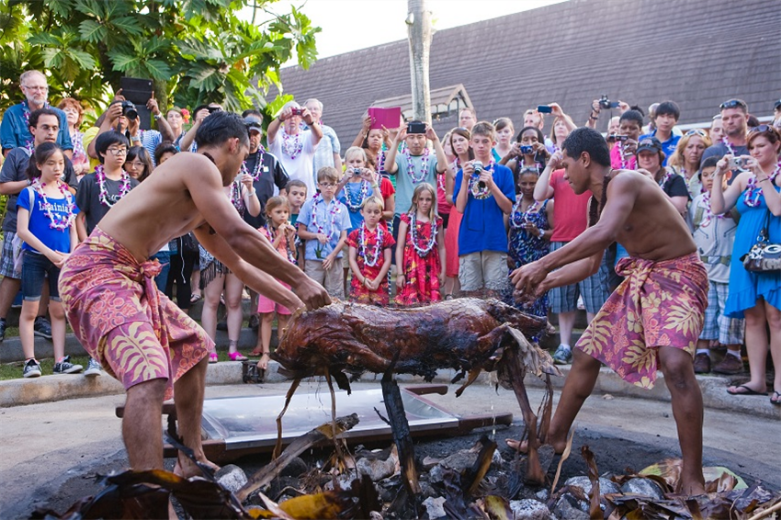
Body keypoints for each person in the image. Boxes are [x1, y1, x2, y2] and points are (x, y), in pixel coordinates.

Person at [58, 111, 330, 480]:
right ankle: (149, 494)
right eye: (246, 154)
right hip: (96, 272)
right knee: (149, 375)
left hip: (130, 276)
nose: (244, 164)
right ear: (234, 145)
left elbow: (242, 266)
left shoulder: (202, 199)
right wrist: (301, 281)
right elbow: (239, 234)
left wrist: (301, 305)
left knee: (196, 346)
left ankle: (191, 456)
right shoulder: (195, 164)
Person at [512, 127, 710, 495]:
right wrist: (546, 281)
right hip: (643, 277)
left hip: (681, 273)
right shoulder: (595, 203)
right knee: (587, 351)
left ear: (585, 159)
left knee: (677, 366)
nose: (564, 173)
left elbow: (604, 234)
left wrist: (541, 265)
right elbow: (590, 264)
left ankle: (693, 478)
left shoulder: (627, 181)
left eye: (566, 164)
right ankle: (553, 436)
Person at [710, 126, 781, 405]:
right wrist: (719, 174)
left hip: (775, 251)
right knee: (753, 318)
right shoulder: (742, 179)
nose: (755, 152)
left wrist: (763, 177)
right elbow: (718, 207)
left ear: (776, 146)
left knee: (776, 317)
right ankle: (756, 380)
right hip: (746, 252)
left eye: (761, 146)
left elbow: (776, 208)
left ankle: (780, 384)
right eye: (752, 148)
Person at [0, 108, 79, 344]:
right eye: (46, 127)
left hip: (53, 227)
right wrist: (34, 182)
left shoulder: (62, 159)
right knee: (12, 273)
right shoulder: (18, 155)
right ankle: (2, 319)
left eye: (55, 128)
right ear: (33, 129)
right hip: (19, 223)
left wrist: (53, 186)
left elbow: (72, 189)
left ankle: (41, 319)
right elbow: (3, 187)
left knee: (47, 273)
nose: (51, 132)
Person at [534, 149, 610, 365]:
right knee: (562, 298)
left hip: (590, 240)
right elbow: (539, 195)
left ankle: (594, 347)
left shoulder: (592, 177)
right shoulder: (559, 175)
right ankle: (565, 345)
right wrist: (550, 166)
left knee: (594, 297)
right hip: (561, 240)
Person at [16, 143, 83, 378]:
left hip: (63, 261)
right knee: (30, 310)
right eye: (51, 163)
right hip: (36, 258)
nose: (57, 168)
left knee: (57, 310)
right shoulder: (30, 193)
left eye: (61, 163)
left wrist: (71, 254)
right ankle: (30, 361)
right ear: (39, 165)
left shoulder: (66, 194)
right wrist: (49, 253)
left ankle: (59, 361)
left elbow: (73, 228)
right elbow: (22, 231)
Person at [200, 162, 261, 362]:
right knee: (212, 300)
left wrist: (251, 189)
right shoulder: (207, 185)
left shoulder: (239, 186)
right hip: (212, 247)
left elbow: (254, 211)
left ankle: (234, 348)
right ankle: (211, 349)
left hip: (235, 249)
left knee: (234, 300)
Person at [689, 157, 744, 375]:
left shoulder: (734, 199)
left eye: (715, 174)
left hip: (729, 269)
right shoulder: (697, 202)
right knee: (704, 310)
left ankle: (734, 354)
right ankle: (702, 353)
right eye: (706, 175)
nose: (710, 179)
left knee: (731, 313)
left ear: (727, 175)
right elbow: (692, 228)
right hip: (705, 268)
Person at [454, 122, 515, 297]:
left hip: (494, 240)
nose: (481, 146)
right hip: (469, 241)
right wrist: (465, 180)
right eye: (477, 141)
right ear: (471, 143)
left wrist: (492, 184)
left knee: (495, 295)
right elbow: (459, 208)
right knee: (472, 296)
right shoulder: (462, 173)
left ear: (493, 144)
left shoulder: (504, 172)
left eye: (485, 142)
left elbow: (508, 208)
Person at [384, 122, 449, 248]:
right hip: (403, 216)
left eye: (420, 137)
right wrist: (396, 141)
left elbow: (443, 167)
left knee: (428, 257)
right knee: (399, 259)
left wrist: (435, 139)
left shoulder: (432, 158)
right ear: (406, 139)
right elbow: (388, 167)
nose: (416, 141)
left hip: (428, 216)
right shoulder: (400, 158)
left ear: (425, 139)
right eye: (411, 137)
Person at [254, 196, 299, 366]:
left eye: (286, 212)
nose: (283, 216)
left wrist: (291, 240)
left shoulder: (288, 231)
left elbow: (293, 256)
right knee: (267, 316)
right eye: (278, 212)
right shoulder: (262, 232)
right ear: (269, 213)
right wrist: (280, 235)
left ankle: (282, 350)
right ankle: (265, 352)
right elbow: (267, 254)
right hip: (268, 279)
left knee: (284, 316)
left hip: (284, 277)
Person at [507, 167, 554, 324]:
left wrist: (538, 231)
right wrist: (505, 254)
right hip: (515, 258)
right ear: (518, 184)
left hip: (538, 257)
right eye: (524, 183)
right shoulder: (513, 201)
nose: (528, 187)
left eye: (533, 183)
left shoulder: (548, 204)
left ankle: (538, 330)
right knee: (515, 294)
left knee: (537, 294)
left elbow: (554, 233)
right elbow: (504, 230)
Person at [297, 167, 352, 299]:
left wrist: (332, 256)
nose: (329, 188)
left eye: (332, 184)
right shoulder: (309, 205)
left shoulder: (342, 208)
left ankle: (334, 320)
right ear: (318, 185)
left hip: (334, 258)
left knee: (335, 295)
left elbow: (344, 236)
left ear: (337, 185)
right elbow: (301, 232)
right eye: (325, 184)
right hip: (314, 258)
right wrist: (316, 235)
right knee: (314, 294)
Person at [76, 132, 140, 241]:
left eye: (123, 149)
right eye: (114, 149)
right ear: (102, 152)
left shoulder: (134, 185)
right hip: (96, 246)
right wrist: (87, 244)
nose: (120, 153)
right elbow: (78, 217)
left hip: (125, 246)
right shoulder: (89, 181)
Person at [395, 183, 445, 306]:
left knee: (431, 306)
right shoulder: (407, 220)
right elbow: (400, 247)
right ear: (415, 200)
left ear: (433, 201)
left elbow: (442, 247)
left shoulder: (436, 221)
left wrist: (443, 271)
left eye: (428, 199)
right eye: (421, 199)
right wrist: (400, 273)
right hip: (411, 268)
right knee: (411, 304)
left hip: (430, 268)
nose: (424, 202)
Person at [1, 70, 73, 156]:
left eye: (42, 88)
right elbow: (9, 150)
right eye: (34, 88)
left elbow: (67, 148)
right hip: (23, 167)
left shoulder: (60, 115)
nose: (39, 92)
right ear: (23, 89)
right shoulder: (12, 114)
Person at [267, 101, 323, 197]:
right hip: (281, 192)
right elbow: (270, 133)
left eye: (296, 115)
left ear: (300, 118)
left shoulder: (307, 135)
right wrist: (280, 118)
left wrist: (310, 122)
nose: (292, 119)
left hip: (304, 193)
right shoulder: (278, 135)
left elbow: (319, 136)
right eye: (289, 116)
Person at [347, 197, 396, 306]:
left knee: (379, 315)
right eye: (369, 211)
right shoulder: (355, 235)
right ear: (362, 212)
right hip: (360, 282)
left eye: (376, 212)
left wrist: (378, 280)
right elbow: (351, 259)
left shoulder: (386, 235)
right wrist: (362, 279)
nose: (372, 215)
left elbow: (388, 260)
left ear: (381, 214)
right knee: (358, 315)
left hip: (379, 282)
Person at [443, 128, 473, 299]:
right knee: (454, 251)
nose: (458, 144)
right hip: (457, 211)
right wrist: (459, 196)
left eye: (461, 140)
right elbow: (448, 196)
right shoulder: (451, 168)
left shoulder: (477, 163)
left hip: (475, 209)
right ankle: (453, 293)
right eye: (455, 141)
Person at [635, 137, 690, 216]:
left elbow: (679, 209)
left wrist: (652, 183)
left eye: (650, 154)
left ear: (660, 156)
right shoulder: (633, 180)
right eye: (642, 155)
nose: (646, 158)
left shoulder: (674, 180)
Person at [702, 99, 750, 168]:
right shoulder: (712, 152)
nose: (730, 121)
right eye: (725, 118)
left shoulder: (759, 148)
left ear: (746, 117)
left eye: (735, 117)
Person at [668, 129, 713, 199]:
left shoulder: (710, 174)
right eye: (690, 147)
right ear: (682, 150)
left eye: (700, 147)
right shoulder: (670, 172)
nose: (695, 151)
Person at [304, 99, 342, 176]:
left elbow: (336, 157)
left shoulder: (329, 131)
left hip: (327, 181)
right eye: (309, 109)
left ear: (320, 113)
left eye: (315, 109)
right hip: (306, 180)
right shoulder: (300, 132)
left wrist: (340, 179)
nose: (313, 111)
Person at [640, 100, 681, 165]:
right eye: (662, 116)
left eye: (670, 117)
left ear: (676, 121)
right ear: (655, 119)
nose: (665, 120)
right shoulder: (642, 140)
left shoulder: (680, 142)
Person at [57, 98, 89, 179]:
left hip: (79, 180)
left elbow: (92, 162)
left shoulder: (84, 137)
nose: (71, 112)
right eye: (67, 110)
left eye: (74, 111)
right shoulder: (53, 135)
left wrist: (81, 167)